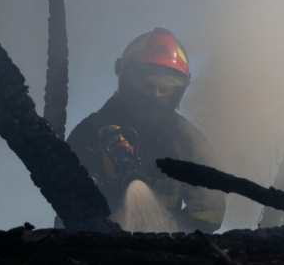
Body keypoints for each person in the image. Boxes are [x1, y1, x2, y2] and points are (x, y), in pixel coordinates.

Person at [66, 28, 225, 233]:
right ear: (127, 82)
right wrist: (111, 193)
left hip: (165, 257)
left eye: (165, 89)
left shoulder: (188, 141)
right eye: (147, 86)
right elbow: (69, 199)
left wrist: (169, 237)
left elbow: (209, 212)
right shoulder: (91, 132)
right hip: (94, 251)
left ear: (177, 92)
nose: (155, 95)